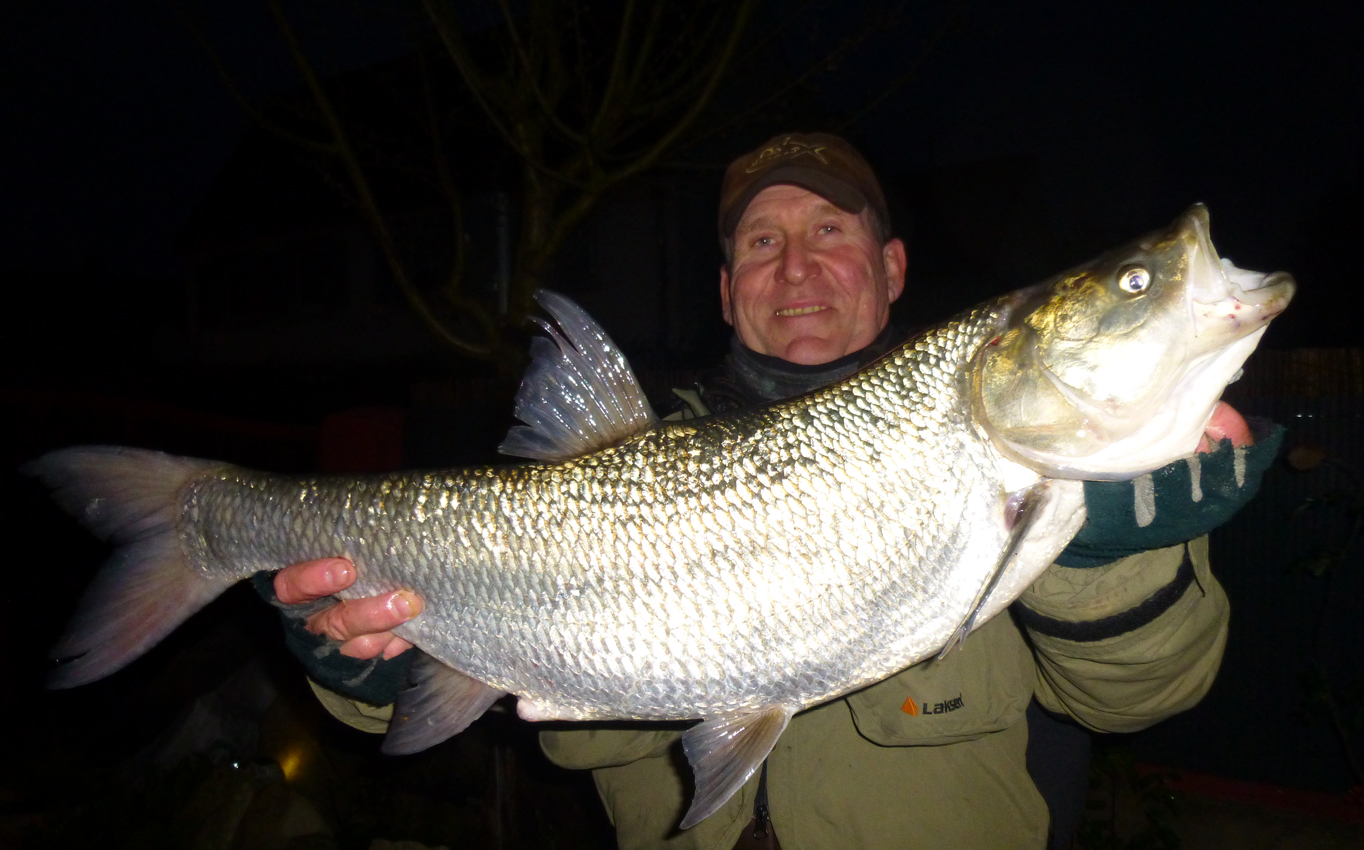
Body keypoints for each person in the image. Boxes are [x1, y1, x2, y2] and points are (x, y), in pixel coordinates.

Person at [264, 133, 1281, 849]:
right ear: (726, 290)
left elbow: (1144, 698)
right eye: (759, 241)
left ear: (888, 269)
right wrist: (357, 672)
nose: (795, 265)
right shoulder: (627, 454)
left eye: (829, 232)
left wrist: (1104, 562)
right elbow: (415, 682)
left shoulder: (1045, 465)